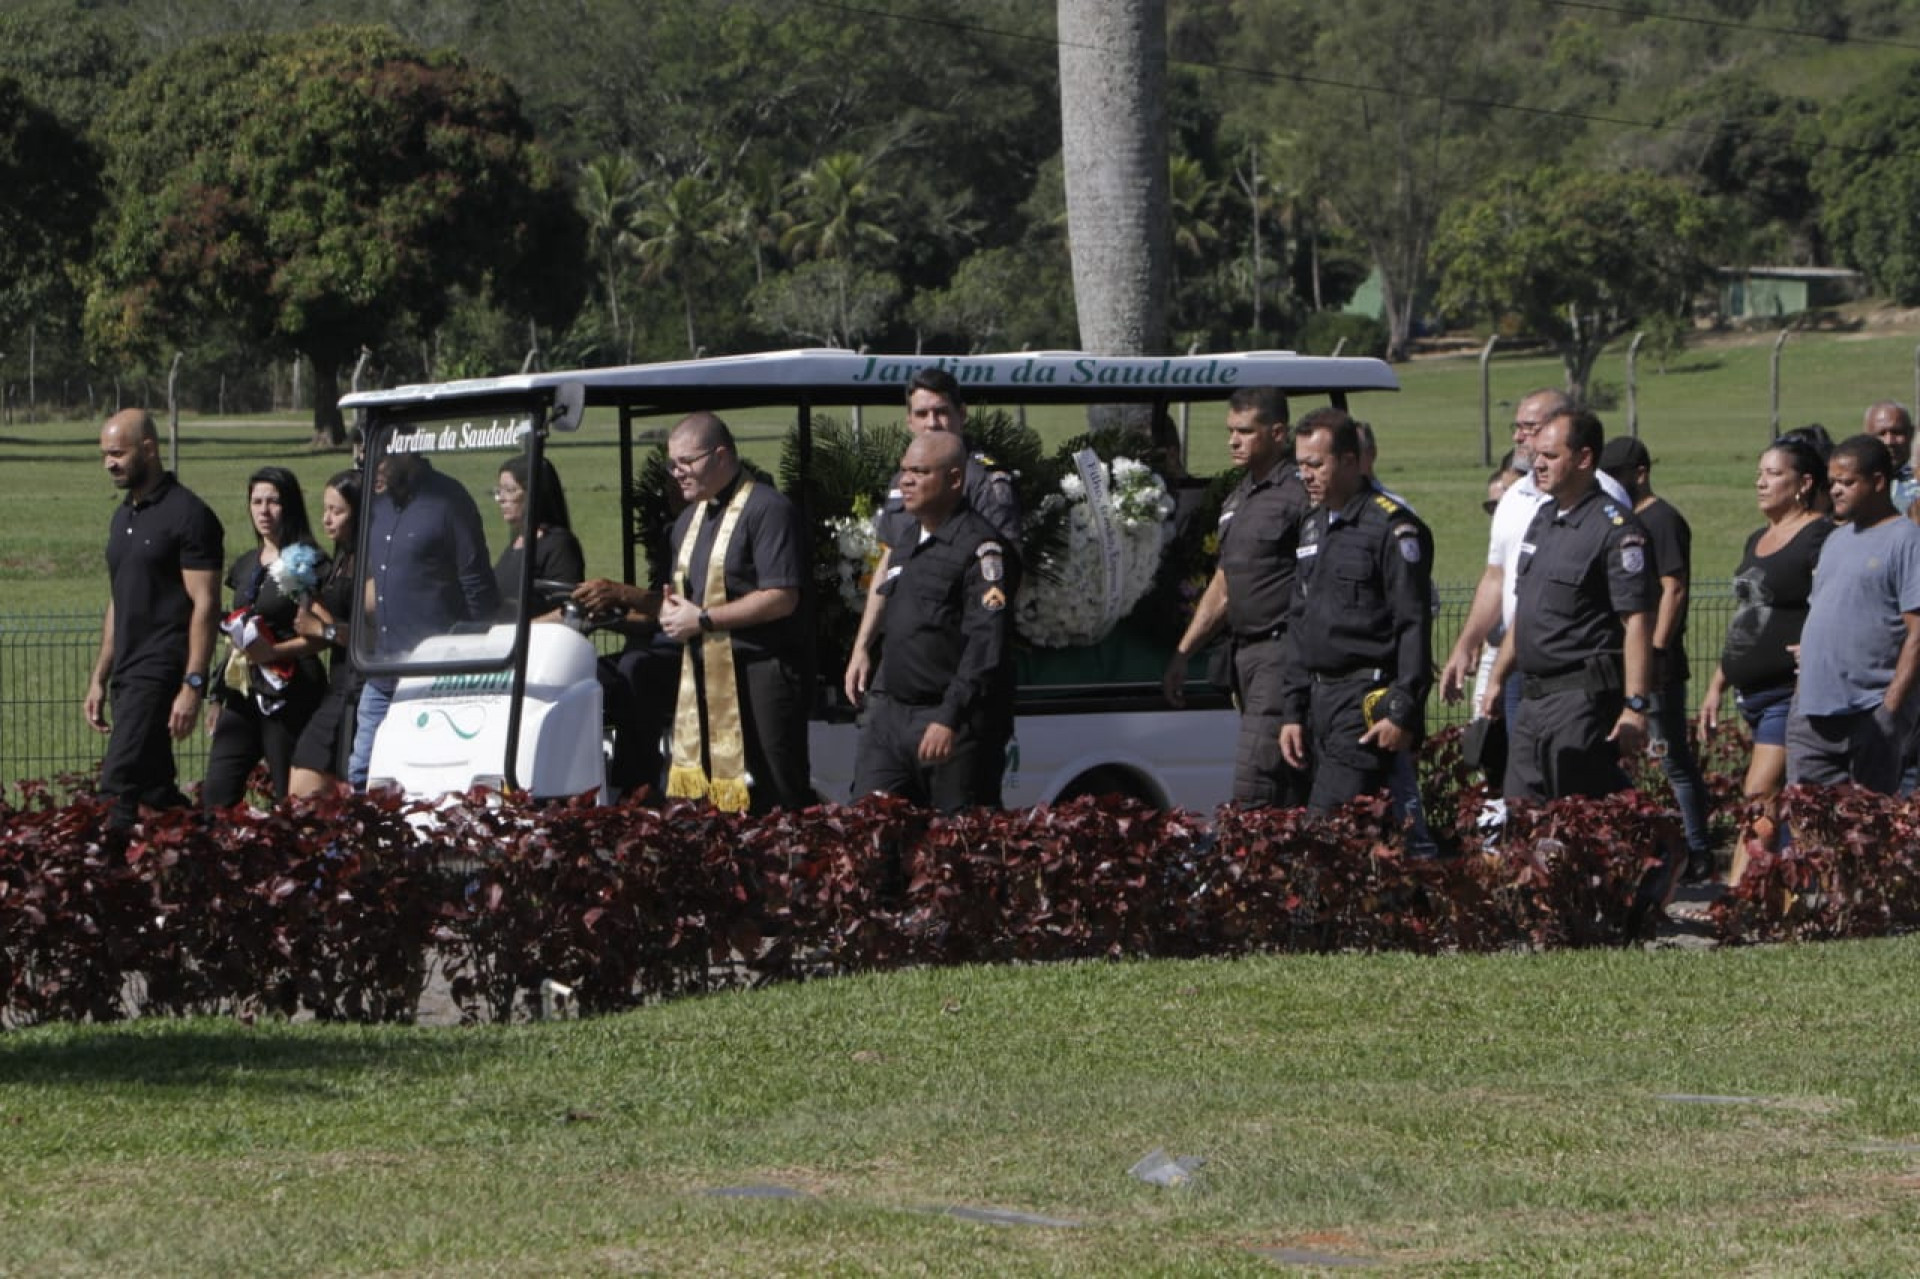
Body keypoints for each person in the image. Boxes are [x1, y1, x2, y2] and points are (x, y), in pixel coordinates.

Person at [1482, 408, 1656, 801]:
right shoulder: (1544, 518)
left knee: (1576, 822)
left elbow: (1637, 623)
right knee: (1522, 817)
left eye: (1551, 456)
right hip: (1531, 698)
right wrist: (1497, 677)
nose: (1537, 464)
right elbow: (1526, 610)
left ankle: (1663, 853)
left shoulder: (1615, 529)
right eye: (1537, 455)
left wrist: (1635, 706)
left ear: (1584, 458)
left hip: (1580, 700)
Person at [851, 431, 1021, 811]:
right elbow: (891, 607)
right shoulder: (907, 539)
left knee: (953, 850)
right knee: (866, 830)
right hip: (891, 718)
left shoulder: (982, 549)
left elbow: (984, 645)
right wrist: (862, 649)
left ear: (955, 479)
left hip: (949, 722)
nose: (905, 481)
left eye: (920, 472)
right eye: (904, 471)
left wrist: (948, 718)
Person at [1277, 409, 1434, 814]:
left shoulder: (1391, 528)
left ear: (1350, 461)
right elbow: (1300, 619)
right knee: (1353, 837)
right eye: (1300, 466)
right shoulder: (1312, 524)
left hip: (1362, 698)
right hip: (1316, 700)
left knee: (1326, 829)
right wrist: (1292, 711)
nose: (1306, 475)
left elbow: (1412, 622)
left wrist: (1403, 708)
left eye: (1316, 464)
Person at [1440, 389, 1632, 719]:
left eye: (1529, 427)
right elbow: (1497, 577)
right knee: (1519, 764)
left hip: (1576, 669)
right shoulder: (1515, 495)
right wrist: (1467, 643)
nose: (1518, 436)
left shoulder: (1602, 498)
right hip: (1517, 657)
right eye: (1516, 427)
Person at [1161, 386, 1311, 806]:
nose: (1233, 440)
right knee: (1280, 781)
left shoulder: (1299, 496)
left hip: (1280, 654)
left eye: (1245, 431)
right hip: (1243, 657)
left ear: (1277, 433)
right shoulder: (1238, 497)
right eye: (1231, 430)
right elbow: (1223, 586)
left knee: (1255, 783)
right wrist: (1183, 653)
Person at [844, 368, 1019, 719]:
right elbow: (889, 565)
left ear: (962, 415)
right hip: (901, 662)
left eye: (941, 411)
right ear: (909, 421)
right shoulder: (902, 482)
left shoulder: (985, 481)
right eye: (922, 414)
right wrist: (862, 647)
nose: (933, 422)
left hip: (951, 662)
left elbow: (1003, 574)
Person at [660, 411, 812, 813]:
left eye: (686, 462)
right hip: (704, 674)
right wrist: (671, 611)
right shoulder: (687, 522)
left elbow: (781, 596)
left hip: (762, 670)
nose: (677, 473)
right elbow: (687, 596)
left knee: (777, 787)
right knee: (711, 798)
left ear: (722, 455)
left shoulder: (767, 509)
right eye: (672, 463)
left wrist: (704, 619)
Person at [84, 409, 225, 829]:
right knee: (153, 787)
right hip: (127, 672)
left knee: (117, 784)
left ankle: (102, 879)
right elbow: (119, 600)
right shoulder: (124, 515)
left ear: (149, 449)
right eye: (105, 454)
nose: (109, 463)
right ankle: (208, 853)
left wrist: (193, 684)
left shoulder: (189, 515)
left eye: (117, 453)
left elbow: (206, 604)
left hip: (160, 669)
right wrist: (99, 676)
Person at [1696, 437, 1830, 869]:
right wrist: (1717, 682)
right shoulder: (1757, 538)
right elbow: (1746, 615)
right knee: (1775, 799)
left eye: (1773, 474)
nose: (1761, 483)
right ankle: (1780, 888)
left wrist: (1815, 641)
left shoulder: (1819, 536)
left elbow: (1835, 601)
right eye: (1759, 473)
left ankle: (1740, 894)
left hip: (1786, 691)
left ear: (1803, 483)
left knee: (1758, 794)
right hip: (1748, 692)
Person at [1599, 436, 1713, 882]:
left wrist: (1657, 650)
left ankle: (1698, 846)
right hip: (1626, 660)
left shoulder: (1660, 520)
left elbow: (1673, 587)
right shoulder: (1621, 519)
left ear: (1640, 473)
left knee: (1670, 757)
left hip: (1656, 662)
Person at [350, 450, 497, 788]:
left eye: (380, 459)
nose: (372, 468)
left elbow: (477, 587)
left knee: (434, 772)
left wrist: (473, 650)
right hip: (384, 668)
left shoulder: (448, 500)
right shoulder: (378, 507)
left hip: (438, 675)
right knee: (363, 771)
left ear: (406, 449)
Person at [1784, 434, 1920, 794]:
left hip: (1869, 710)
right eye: (1832, 483)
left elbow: (1917, 633)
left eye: (1847, 482)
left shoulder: (1905, 539)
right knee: (1809, 827)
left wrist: (1890, 708)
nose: (1837, 491)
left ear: (1878, 482)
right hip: (1812, 712)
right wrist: (1801, 694)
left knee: (1870, 832)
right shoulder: (1835, 540)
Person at [203, 467, 330, 808]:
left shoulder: (305, 564)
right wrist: (217, 695)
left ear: (290, 506)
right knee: (216, 793)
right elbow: (235, 635)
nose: (264, 510)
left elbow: (321, 634)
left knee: (286, 796)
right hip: (243, 691)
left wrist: (274, 652)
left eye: (273, 502)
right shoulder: (246, 565)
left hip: (290, 691)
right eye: (256, 501)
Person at [289, 471, 365, 797]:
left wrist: (322, 628)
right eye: (325, 509)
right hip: (337, 683)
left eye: (338, 511)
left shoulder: (366, 562)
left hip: (357, 686)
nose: (327, 519)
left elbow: (368, 635)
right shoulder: (340, 557)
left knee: (305, 787)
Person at [491, 454, 585, 615]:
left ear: (534, 494)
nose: (501, 499)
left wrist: (519, 631)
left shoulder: (559, 545)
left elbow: (567, 612)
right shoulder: (515, 545)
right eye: (500, 491)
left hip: (536, 638)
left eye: (510, 490)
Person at [1865, 401, 1918, 516]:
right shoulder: (1854, 484)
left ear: (1911, 433)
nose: (1889, 441)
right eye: (1881, 434)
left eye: (1897, 432)